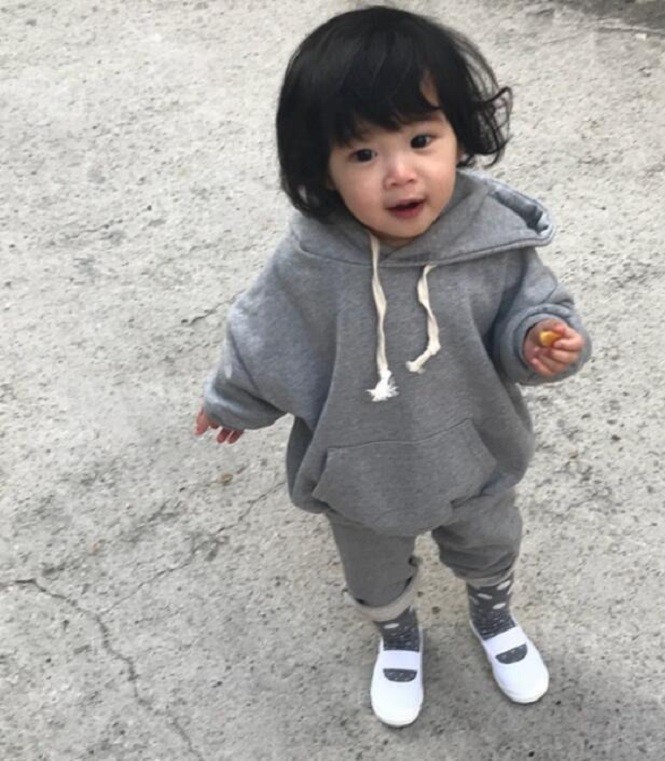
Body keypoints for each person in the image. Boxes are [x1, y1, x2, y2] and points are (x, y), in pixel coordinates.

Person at [195, 5, 590, 727]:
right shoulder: (312, 259)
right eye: (362, 154)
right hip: (362, 469)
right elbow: (265, 332)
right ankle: (398, 633)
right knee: (373, 568)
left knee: (489, 541)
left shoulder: (493, 241)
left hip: (473, 449)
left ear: (459, 134)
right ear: (321, 168)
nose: (401, 173)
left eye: (420, 139)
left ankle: (492, 611)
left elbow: (531, 310)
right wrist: (234, 400)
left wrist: (538, 339)